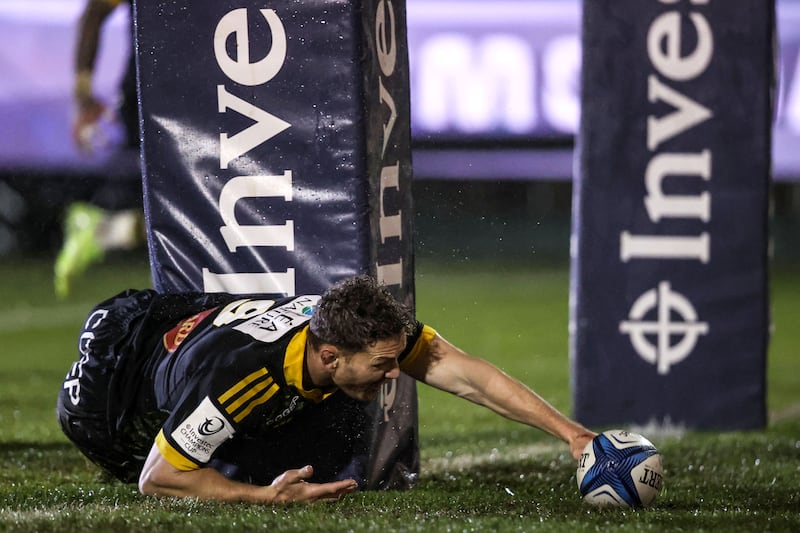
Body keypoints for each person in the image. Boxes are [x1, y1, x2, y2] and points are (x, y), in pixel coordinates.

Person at [56, 275, 596, 504]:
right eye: (384, 365)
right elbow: (159, 479)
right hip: (111, 382)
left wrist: (571, 435)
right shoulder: (247, 382)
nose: (394, 376)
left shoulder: (346, 325)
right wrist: (266, 498)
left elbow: (466, 374)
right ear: (331, 356)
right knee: (179, 470)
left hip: (178, 325)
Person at [56, 0, 144, 299]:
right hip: (156, 95)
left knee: (191, 208)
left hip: (208, 87)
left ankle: (104, 231)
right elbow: (96, 11)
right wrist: (83, 95)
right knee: (192, 207)